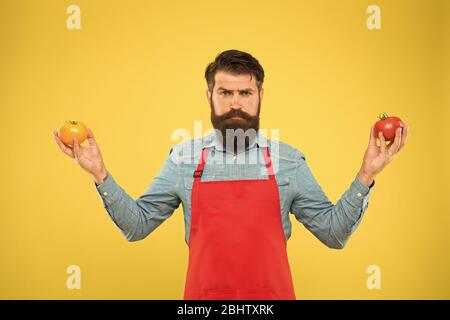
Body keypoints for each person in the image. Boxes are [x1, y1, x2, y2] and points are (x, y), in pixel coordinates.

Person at [53, 49, 409, 300]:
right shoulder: (184, 159)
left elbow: (334, 234)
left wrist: (366, 175)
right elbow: (137, 226)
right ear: (210, 96)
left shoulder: (288, 161)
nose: (235, 102)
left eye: (245, 92)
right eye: (226, 92)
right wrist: (100, 173)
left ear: (260, 96)